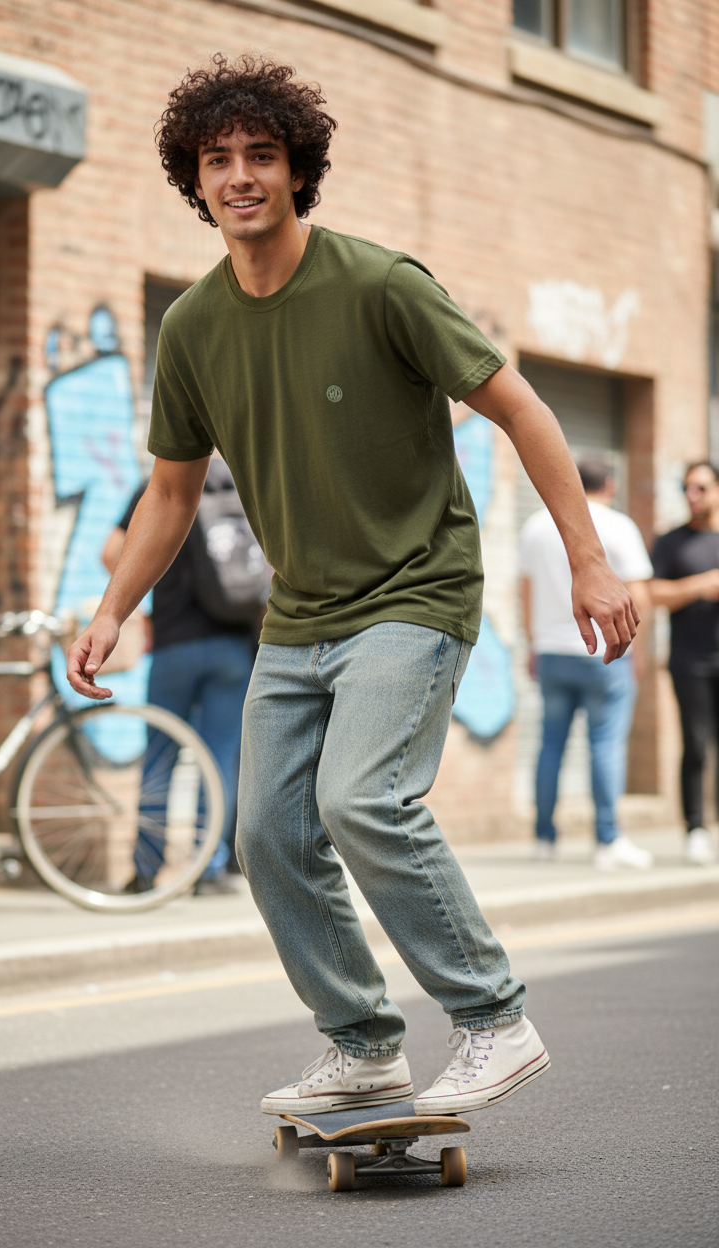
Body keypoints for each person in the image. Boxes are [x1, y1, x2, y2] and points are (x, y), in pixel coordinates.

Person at [67, 54, 638, 1118]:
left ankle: (493, 1020)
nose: (239, 176)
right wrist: (111, 609)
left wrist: (589, 560)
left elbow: (522, 410)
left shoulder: (381, 284)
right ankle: (363, 1043)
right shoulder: (192, 328)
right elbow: (170, 495)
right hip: (300, 614)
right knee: (267, 833)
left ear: (297, 171)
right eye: (217, 159)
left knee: (360, 797)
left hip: (414, 591)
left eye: (261, 156)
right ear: (194, 181)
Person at [103, 461, 256, 894]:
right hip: (232, 645)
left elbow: (109, 551)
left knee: (160, 755)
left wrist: (155, 570)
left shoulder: (162, 484)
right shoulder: (243, 483)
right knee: (219, 758)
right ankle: (206, 872)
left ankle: (146, 870)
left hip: (172, 644)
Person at [520, 459, 653, 870]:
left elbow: (524, 590)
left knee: (550, 743)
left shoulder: (536, 525)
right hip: (606, 653)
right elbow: (639, 596)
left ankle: (543, 838)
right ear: (610, 485)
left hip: (553, 651)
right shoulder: (619, 526)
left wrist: (533, 644)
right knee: (605, 743)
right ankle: (607, 842)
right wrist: (639, 651)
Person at [650, 461, 719, 865]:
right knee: (695, 745)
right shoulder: (672, 541)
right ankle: (695, 828)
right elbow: (652, 592)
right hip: (689, 659)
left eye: (701, 488)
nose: (692, 496)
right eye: (686, 488)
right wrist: (700, 585)